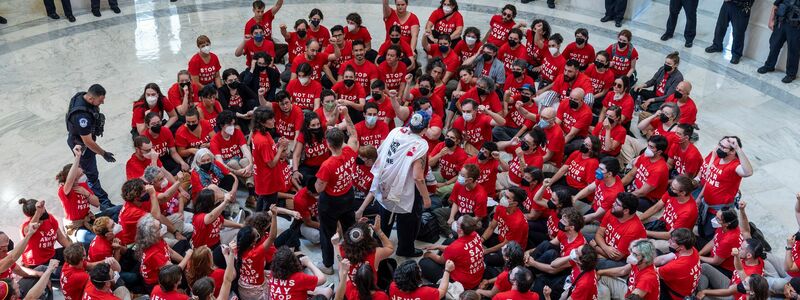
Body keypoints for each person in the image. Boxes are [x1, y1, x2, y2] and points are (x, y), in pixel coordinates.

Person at [372, 110, 432, 258]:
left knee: (384, 214)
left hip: (385, 180)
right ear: (425, 129)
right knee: (408, 221)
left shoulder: (396, 131)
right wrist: (426, 198)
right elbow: (418, 177)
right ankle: (405, 249)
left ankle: (378, 243)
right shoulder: (420, 144)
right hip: (405, 187)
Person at [315, 109, 359, 272]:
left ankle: (327, 265)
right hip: (348, 195)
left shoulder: (327, 165)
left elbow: (319, 188)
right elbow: (353, 133)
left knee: (327, 233)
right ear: (342, 140)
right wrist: (346, 114)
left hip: (331, 202)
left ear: (328, 144)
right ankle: (354, 257)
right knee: (350, 229)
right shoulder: (350, 151)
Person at [66, 84, 114, 210]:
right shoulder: (82, 116)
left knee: (83, 167)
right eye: (100, 100)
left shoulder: (81, 95)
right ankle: (104, 203)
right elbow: (88, 142)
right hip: (82, 146)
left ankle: (76, 175)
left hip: (78, 140)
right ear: (92, 99)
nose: (102, 102)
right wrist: (104, 153)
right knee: (92, 174)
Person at [696, 136, 753, 239]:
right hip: (705, 204)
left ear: (732, 151)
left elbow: (748, 172)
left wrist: (738, 148)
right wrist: (700, 197)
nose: (719, 148)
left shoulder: (735, 166)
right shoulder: (718, 157)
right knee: (701, 229)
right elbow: (710, 181)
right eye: (720, 144)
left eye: (723, 147)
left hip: (718, 212)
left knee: (710, 235)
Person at [421, 215, 485, 290]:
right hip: (475, 276)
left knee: (424, 263)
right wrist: (438, 246)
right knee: (448, 241)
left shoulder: (456, 247)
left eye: (457, 224)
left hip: (462, 284)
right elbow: (457, 250)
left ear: (461, 230)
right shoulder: (475, 234)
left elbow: (440, 260)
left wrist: (428, 254)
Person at [57, 145, 101, 245]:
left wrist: (86, 194)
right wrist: (77, 157)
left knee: (116, 210)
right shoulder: (63, 191)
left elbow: (97, 203)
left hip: (88, 218)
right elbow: (69, 180)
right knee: (96, 240)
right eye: (79, 176)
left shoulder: (83, 185)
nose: (83, 177)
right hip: (76, 227)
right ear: (73, 179)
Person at [591, 192, 646, 269]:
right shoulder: (613, 212)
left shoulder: (633, 229)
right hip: (606, 245)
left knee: (591, 262)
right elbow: (599, 234)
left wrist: (596, 247)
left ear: (626, 211)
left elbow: (616, 257)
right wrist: (605, 248)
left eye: (617, 204)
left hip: (622, 260)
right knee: (582, 237)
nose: (613, 204)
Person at [621, 135, 669, 211]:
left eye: (651, 147)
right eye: (648, 145)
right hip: (634, 187)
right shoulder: (645, 156)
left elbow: (642, 192)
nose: (648, 149)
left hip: (647, 199)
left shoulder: (659, 170)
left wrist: (622, 196)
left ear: (659, 152)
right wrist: (617, 186)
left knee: (621, 203)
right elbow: (631, 174)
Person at [758, 0, 800, 83]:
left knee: (793, 50)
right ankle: (769, 66)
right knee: (774, 45)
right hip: (781, 22)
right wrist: (771, 20)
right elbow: (776, 4)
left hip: (796, 27)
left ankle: (791, 74)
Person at [653, 228, 701, 299]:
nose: (669, 242)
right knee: (656, 252)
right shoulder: (692, 250)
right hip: (685, 287)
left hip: (673, 296)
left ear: (681, 247)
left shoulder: (675, 267)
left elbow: (650, 272)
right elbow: (663, 259)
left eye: (672, 241)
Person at [705, 0, 754, 64]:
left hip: (741, 6)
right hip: (727, 4)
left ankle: (736, 54)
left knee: (738, 32)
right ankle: (717, 45)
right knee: (720, 26)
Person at [389, 260, 454, 299]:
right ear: (416, 280)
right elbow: (442, 291)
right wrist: (447, 270)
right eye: (419, 271)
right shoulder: (426, 292)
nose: (421, 270)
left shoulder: (392, 285)